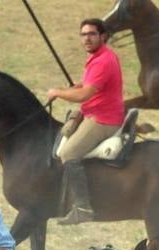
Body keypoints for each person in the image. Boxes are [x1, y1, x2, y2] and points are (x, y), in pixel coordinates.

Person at [45, 18, 124, 225]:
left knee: (68, 153)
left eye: (92, 34)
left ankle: (82, 208)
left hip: (103, 119)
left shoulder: (103, 60)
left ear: (103, 36)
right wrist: (79, 85)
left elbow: (84, 96)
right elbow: (90, 86)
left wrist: (58, 92)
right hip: (95, 113)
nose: (87, 38)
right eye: (83, 34)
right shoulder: (98, 56)